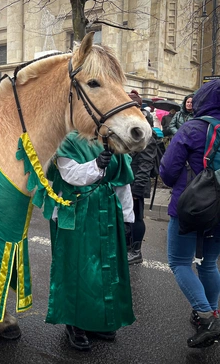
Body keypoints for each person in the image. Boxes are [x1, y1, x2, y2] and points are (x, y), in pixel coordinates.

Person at [44, 131, 135, 351]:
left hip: (106, 210)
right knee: (77, 271)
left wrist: (127, 216)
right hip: (75, 211)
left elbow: (122, 181)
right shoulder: (68, 139)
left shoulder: (113, 139)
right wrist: (96, 165)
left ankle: (96, 321)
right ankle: (75, 324)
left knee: (105, 270)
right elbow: (69, 174)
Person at [159, 80, 220, 348]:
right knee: (208, 263)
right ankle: (211, 311)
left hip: (191, 206)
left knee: (180, 262)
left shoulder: (193, 128)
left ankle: (206, 317)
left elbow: (168, 171)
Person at [127, 93, 159, 264]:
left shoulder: (146, 132)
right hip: (126, 181)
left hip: (137, 182)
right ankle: (126, 247)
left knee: (136, 217)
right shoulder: (128, 128)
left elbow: (146, 163)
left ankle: (136, 251)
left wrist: (137, 189)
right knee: (127, 217)